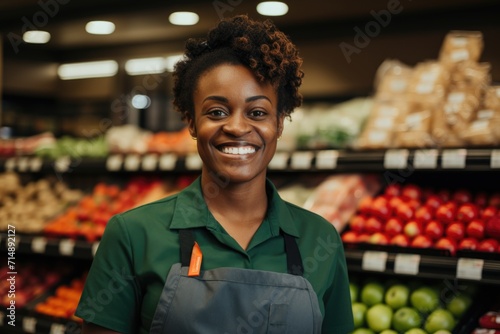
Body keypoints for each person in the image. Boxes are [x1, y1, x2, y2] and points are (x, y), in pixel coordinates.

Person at [75, 14, 354, 334]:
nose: (236, 127)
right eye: (217, 111)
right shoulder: (132, 234)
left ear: (278, 124)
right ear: (192, 122)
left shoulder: (321, 239)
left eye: (258, 112)